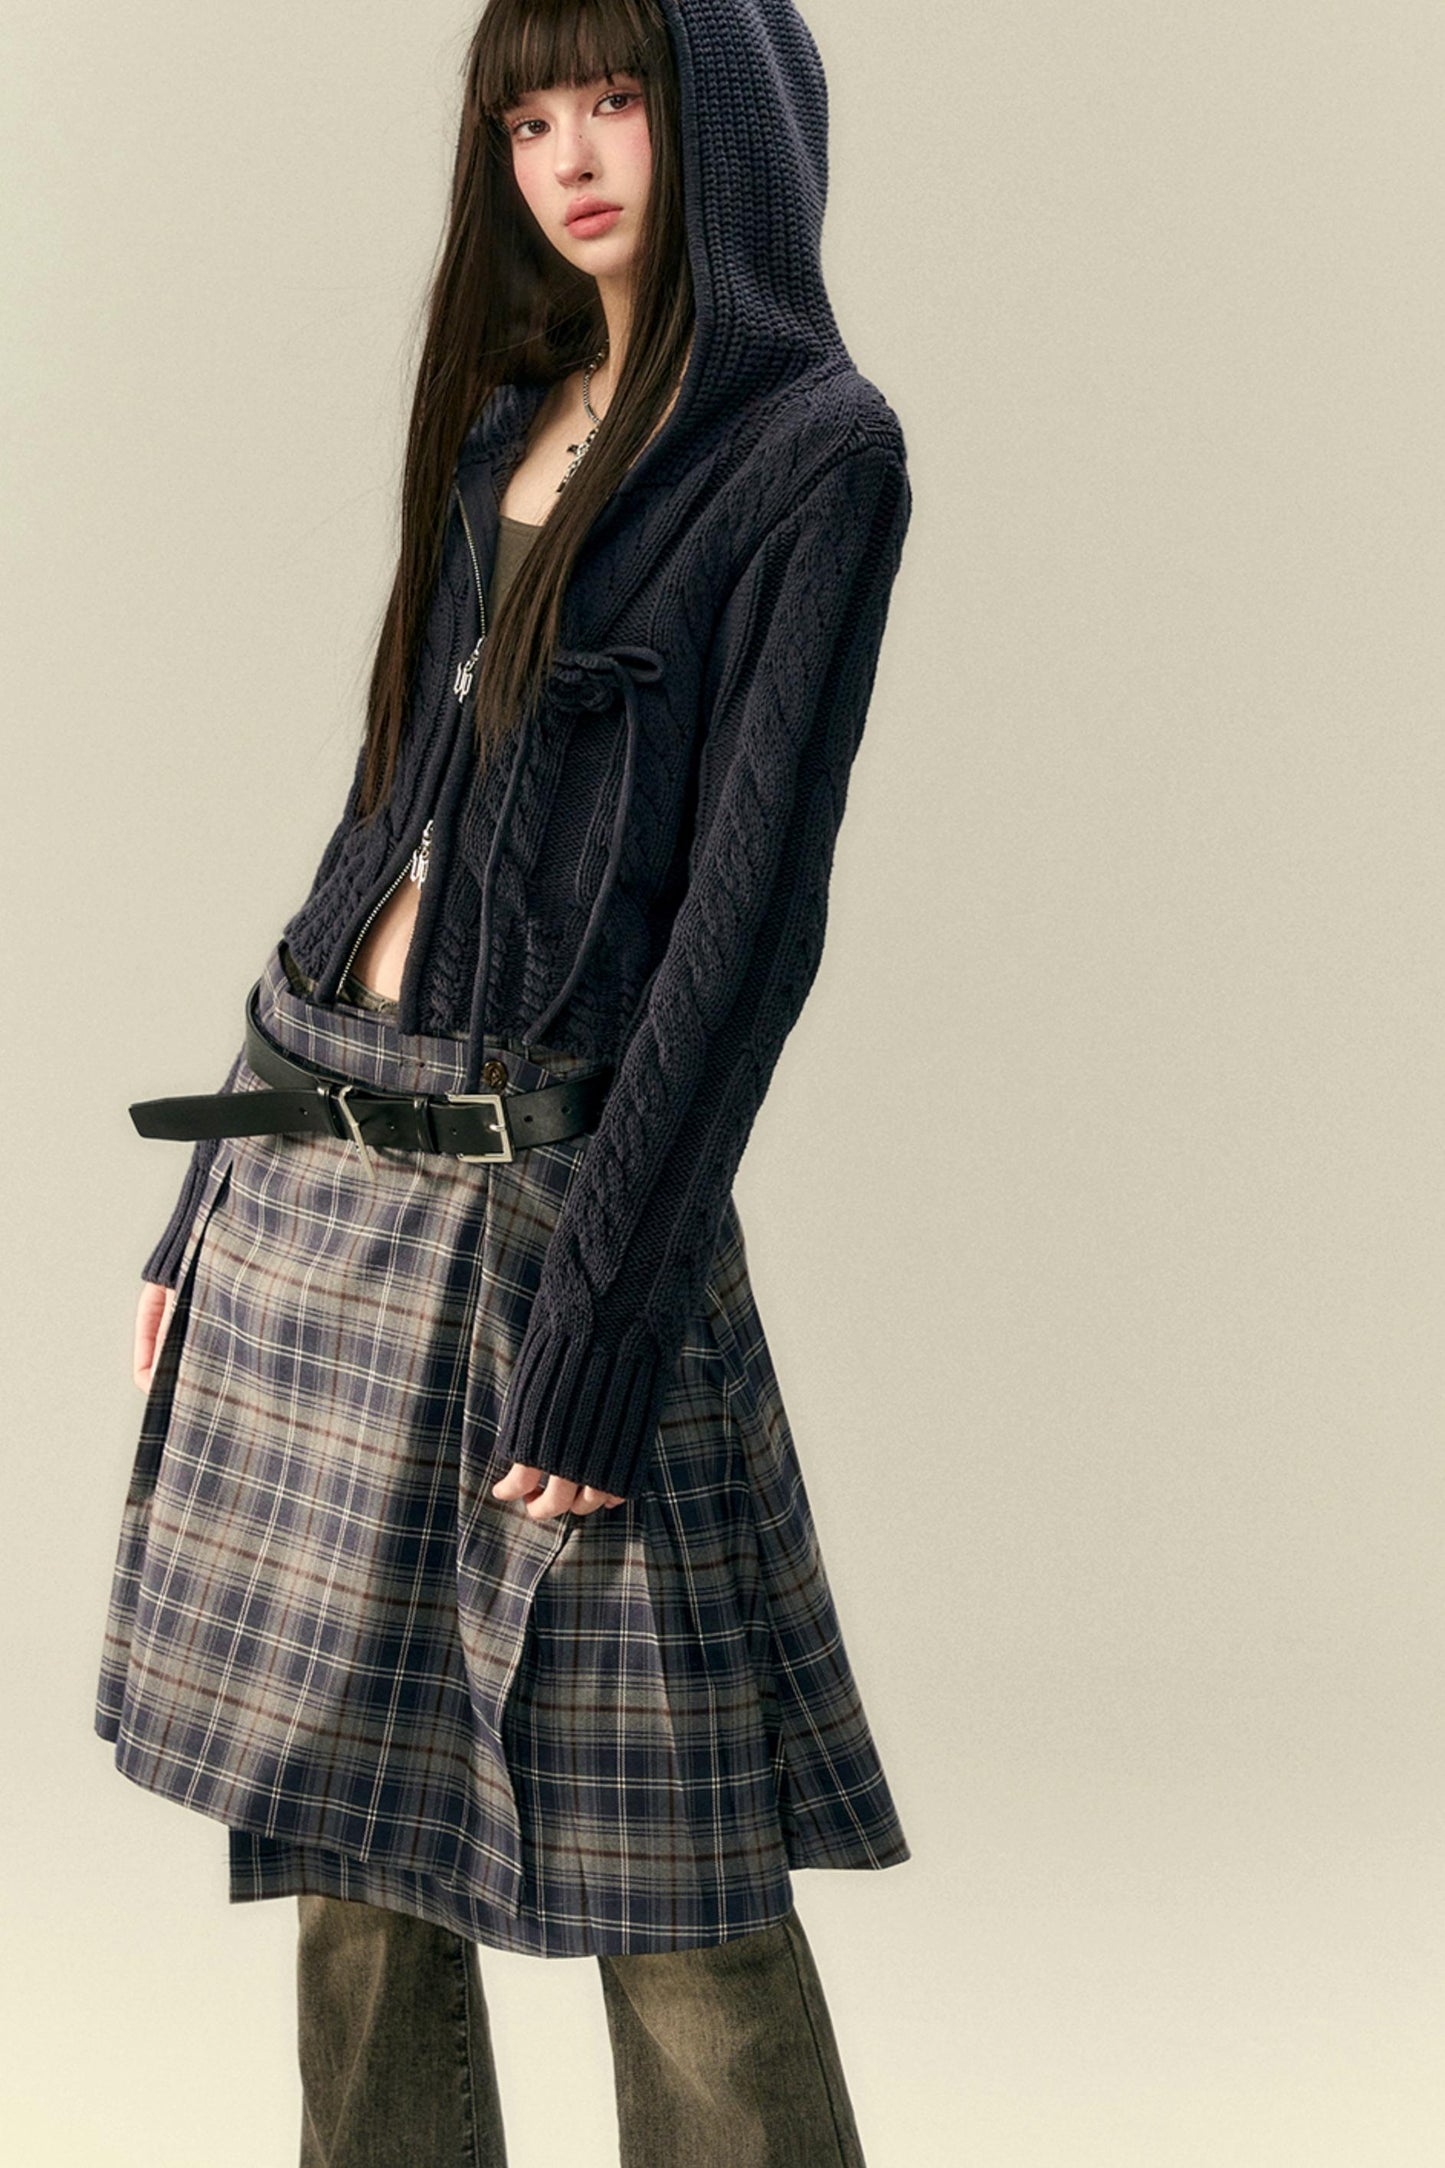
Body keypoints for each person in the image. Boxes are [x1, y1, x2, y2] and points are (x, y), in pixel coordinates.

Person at [95, 0, 914, 2160]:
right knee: (345, 1841)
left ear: (720, 113)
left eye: (614, 101)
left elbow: (744, 933)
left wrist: (605, 1322)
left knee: (676, 1869)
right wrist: (204, 1194)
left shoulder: (814, 453)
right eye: (528, 118)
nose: (570, 157)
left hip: (565, 1209)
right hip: (322, 1182)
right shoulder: (500, 425)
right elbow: (383, 822)